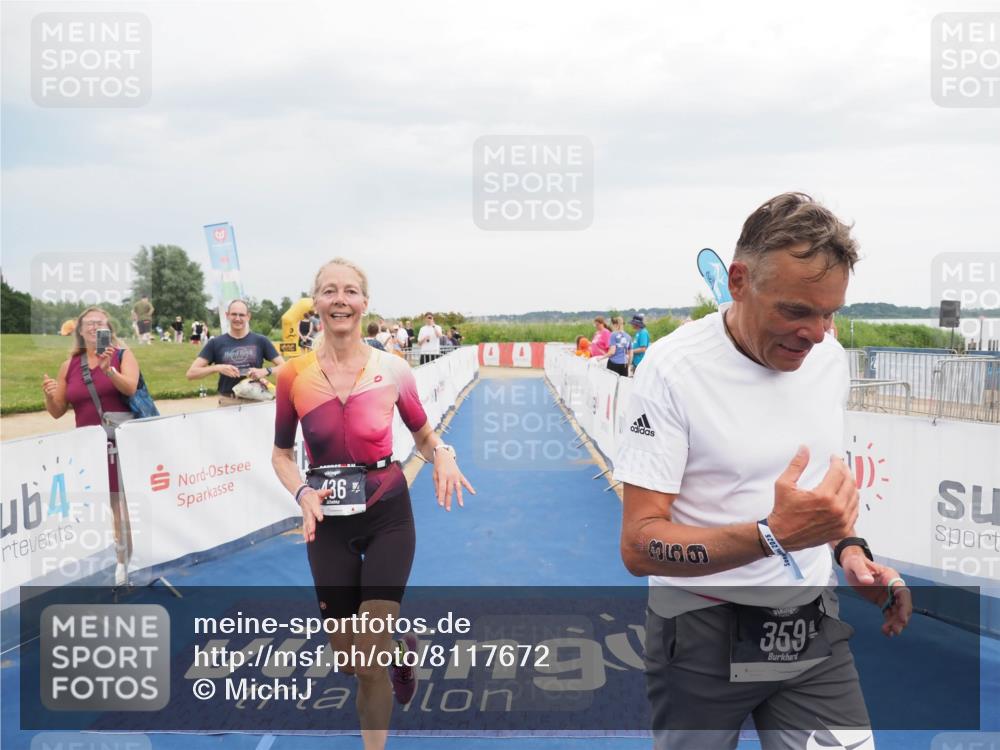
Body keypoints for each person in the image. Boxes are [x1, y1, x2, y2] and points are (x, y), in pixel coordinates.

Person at [615, 193, 912, 750]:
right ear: (738, 281)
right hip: (700, 634)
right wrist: (770, 537)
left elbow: (818, 497)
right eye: (796, 311)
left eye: (830, 313)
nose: (816, 333)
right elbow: (638, 545)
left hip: (810, 627)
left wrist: (851, 551)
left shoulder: (828, 358)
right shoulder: (672, 370)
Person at [271, 258, 475, 750]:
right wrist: (301, 493)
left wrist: (443, 456)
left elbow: (424, 435)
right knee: (347, 657)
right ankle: (401, 652)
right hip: (328, 524)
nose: (340, 299)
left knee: (366, 657)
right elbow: (280, 455)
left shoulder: (393, 369)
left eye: (350, 291)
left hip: (388, 514)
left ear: (365, 303)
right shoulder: (292, 376)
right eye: (329, 291)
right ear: (314, 302)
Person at [41, 306, 139, 586]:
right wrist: (48, 395)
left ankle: (125, 565)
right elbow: (57, 410)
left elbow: (130, 388)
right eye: (89, 323)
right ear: (80, 330)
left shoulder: (122, 355)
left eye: (101, 323)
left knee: (121, 505)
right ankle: (111, 560)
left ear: (109, 328)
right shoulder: (69, 366)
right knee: (99, 506)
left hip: (120, 441)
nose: (95, 327)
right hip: (88, 448)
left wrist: (110, 371)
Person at [186, 299, 285, 406]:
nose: (237, 318)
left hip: (255, 401)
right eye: (234, 314)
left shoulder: (261, 341)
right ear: (227, 315)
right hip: (228, 401)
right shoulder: (215, 343)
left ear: (248, 316)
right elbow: (191, 374)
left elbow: (285, 367)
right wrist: (218, 368)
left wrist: (266, 371)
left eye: (241, 315)